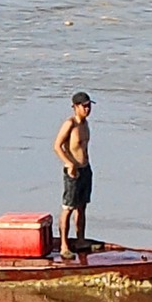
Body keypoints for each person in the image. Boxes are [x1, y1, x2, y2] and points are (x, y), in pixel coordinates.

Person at [54, 92, 94, 258]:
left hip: (85, 169)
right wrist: (70, 163)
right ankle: (64, 245)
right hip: (73, 172)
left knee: (82, 206)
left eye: (89, 106)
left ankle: (80, 240)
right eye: (84, 106)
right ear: (75, 107)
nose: (87, 109)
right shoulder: (70, 124)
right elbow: (57, 146)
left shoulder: (85, 124)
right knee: (68, 207)